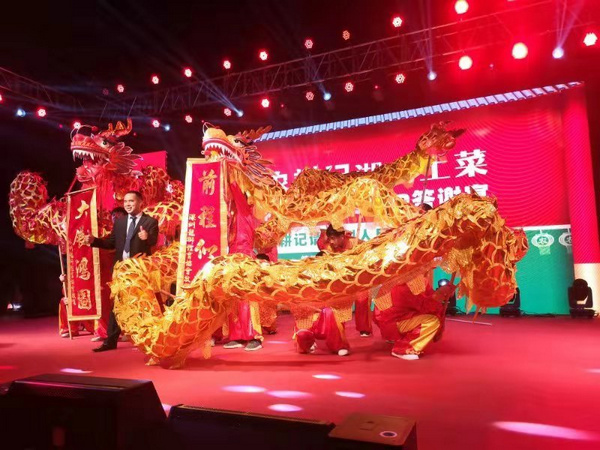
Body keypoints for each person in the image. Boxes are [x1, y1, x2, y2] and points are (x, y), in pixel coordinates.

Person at [85, 191, 158, 352]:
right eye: (125, 201)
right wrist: (94, 241)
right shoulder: (120, 222)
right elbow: (111, 243)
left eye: (131, 201)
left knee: (142, 304)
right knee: (117, 305)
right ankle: (110, 341)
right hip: (120, 270)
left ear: (140, 202)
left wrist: (147, 237)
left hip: (139, 270)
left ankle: (148, 340)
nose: (128, 204)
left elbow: (154, 241)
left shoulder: (150, 221)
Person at [318, 225, 373, 337]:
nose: (331, 241)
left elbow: (370, 253)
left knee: (362, 299)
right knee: (338, 305)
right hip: (340, 279)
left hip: (357, 277)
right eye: (330, 238)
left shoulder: (355, 243)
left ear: (342, 237)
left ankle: (364, 329)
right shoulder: (329, 248)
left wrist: (358, 257)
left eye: (333, 238)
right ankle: (337, 329)